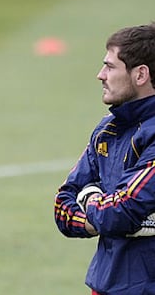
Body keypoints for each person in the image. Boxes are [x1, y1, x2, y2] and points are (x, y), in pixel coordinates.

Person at [54, 23, 155, 294]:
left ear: (140, 74)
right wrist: (98, 212)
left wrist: (90, 202)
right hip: (106, 284)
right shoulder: (107, 129)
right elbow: (62, 206)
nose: (100, 75)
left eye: (110, 67)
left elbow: (123, 209)